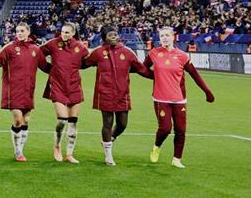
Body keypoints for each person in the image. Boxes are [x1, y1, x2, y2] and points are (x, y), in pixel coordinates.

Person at [144, 26, 215, 168]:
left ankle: (177, 159)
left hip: (179, 99)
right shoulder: (154, 53)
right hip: (160, 98)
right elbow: (143, 69)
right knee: (165, 128)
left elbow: (195, 75)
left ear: (173, 37)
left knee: (181, 130)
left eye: (167, 35)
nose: (164, 38)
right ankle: (156, 147)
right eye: (162, 35)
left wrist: (207, 92)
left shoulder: (182, 56)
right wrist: (156, 77)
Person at [0, 21, 46, 162]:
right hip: (12, 90)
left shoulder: (35, 50)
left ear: (28, 32)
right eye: (17, 31)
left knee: (26, 120)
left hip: (28, 90)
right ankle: (17, 151)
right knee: (18, 119)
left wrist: (66, 70)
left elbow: (45, 66)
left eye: (22, 31)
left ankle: (21, 149)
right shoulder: (10, 48)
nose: (19, 33)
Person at [83, 24, 150, 166]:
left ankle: (110, 138)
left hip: (122, 94)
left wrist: (158, 76)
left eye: (115, 35)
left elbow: (141, 69)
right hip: (104, 92)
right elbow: (84, 63)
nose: (113, 37)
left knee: (122, 124)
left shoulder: (127, 52)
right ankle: (108, 155)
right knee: (107, 123)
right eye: (110, 35)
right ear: (104, 38)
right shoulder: (98, 52)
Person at [39, 22, 90, 164]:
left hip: (74, 86)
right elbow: (37, 54)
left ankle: (69, 153)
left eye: (67, 32)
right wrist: (48, 68)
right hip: (57, 85)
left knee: (73, 122)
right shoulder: (53, 44)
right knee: (62, 119)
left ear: (73, 33)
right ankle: (57, 146)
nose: (64, 34)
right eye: (62, 31)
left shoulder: (80, 47)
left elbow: (88, 61)